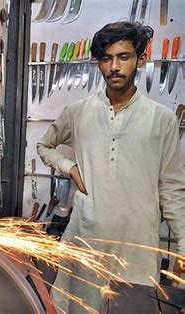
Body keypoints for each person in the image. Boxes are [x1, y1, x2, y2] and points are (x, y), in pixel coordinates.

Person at [36, 22, 185, 312]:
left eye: (124, 57)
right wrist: (69, 167)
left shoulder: (162, 119)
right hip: (86, 242)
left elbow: (172, 189)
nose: (114, 66)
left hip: (136, 248)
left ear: (141, 58)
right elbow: (45, 146)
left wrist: (182, 245)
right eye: (106, 58)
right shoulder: (78, 112)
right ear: (98, 63)